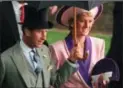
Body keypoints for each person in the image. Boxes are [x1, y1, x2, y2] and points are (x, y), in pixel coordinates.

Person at [0, 5, 81, 88]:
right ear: (27, 31)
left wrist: (71, 60)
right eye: (39, 31)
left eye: (45, 31)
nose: (44, 37)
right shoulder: (5, 59)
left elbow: (56, 81)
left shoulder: (45, 51)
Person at [50, 5, 105, 88]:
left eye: (90, 21)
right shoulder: (56, 48)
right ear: (72, 23)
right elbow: (52, 83)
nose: (87, 25)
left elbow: (100, 73)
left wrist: (103, 79)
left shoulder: (99, 44)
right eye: (83, 21)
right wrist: (71, 60)